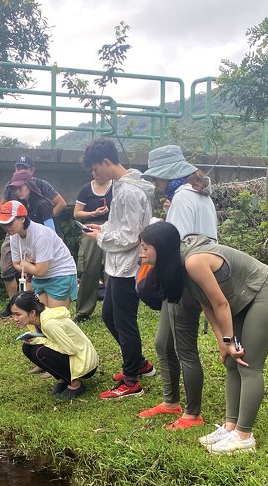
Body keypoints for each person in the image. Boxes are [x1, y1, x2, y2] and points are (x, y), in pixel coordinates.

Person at [140, 222, 268, 454]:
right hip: (240, 300)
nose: (142, 252)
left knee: (248, 364)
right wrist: (222, 342)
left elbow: (221, 304)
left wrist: (229, 341)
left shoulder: (193, 261)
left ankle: (244, 435)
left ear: (160, 247)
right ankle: (230, 427)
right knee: (231, 362)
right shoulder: (178, 267)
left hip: (263, 294)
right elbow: (206, 304)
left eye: (145, 247)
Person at [137, 145, 218, 430]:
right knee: (163, 343)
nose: (157, 185)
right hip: (193, 272)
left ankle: (193, 414)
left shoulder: (183, 197)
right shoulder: (196, 193)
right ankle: (171, 402)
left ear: (170, 174)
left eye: (158, 178)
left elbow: (177, 244)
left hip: (184, 278)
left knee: (184, 348)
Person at [80, 139, 156, 400]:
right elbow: (121, 225)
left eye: (94, 169)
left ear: (106, 162)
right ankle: (139, 363)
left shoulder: (129, 192)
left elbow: (131, 236)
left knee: (125, 323)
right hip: (116, 265)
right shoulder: (122, 187)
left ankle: (132, 380)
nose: (94, 175)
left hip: (128, 266)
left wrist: (99, 238)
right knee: (110, 316)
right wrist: (103, 229)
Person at [0, 155, 66, 317]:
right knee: (16, 270)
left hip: (40, 239)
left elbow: (57, 210)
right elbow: (2, 208)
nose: (17, 191)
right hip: (18, 233)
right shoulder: (12, 187)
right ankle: (18, 307)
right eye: (17, 167)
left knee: (53, 316)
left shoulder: (41, 194)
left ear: (31, 173)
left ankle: (28, 306)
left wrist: (42, 224)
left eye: (24, 168)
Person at [8, 290, 99, 399]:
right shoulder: (36, 319)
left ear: (32, 313)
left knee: (40, 352)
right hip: (76, 358)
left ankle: (75, 385)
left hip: (85, 364)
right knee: (28, 347)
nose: (15, 319)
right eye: (13, 314)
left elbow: (70, 350)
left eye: (18, 314)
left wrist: (40, 340)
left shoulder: (49, 323)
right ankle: (63, 379)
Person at [0, 200, 78, 309]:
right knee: (42, 318)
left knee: (56, 319)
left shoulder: (41, 235)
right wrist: (31, 267)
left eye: (9, 223)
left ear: (22, 219)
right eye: (3, 224)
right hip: (38, 278)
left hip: (60, 274)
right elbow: (16, 264)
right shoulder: (13, 236)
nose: (6, 227)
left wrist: (26, 264)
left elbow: (40, 270)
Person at [72, 174, 112, 323]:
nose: (98, 174)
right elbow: (77, 213)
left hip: (111, 228)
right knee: (89, 268)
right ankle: (83, 311)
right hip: (90, 229)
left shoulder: (117, 187)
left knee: (112, 269)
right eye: (94, 171)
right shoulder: (86, 189)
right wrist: (93, 213)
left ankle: (114, 308)